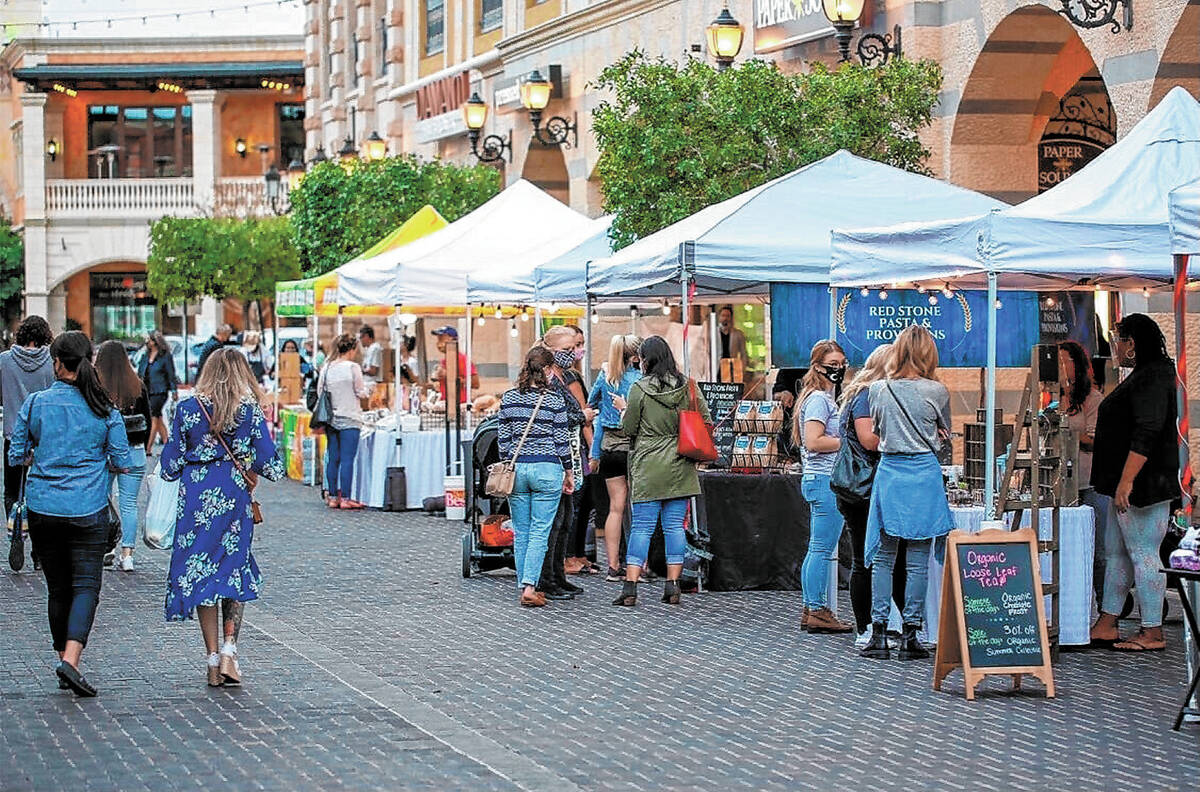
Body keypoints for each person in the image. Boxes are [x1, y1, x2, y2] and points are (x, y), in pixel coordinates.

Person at [8, 331, 131, 697]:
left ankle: (65, 657)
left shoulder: (35, 403)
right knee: (86, 586)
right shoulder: (103, 408)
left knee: (58, 587)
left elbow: (16, 454)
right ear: (89, 362)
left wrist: (39, 457)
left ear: (56, 363)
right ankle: (71, 660)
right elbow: (123, 461)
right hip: (87, 508)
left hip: (43, 507)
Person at [160, 348, 283, 686]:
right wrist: (246, 463)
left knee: (201, 571)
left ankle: (213, 659)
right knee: (233, 568)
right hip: (233, 499)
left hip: (197, 501)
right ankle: (230, 650)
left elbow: (170, 465)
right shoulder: (248, 412)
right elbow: (271, 464)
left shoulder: (187, 409)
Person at [1089, 314, 1179, 653]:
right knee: (1117, 554)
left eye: (1119, 339)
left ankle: (1152, 630)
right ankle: (1108, 621)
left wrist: (1127, 480)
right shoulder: (1144, 374)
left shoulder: (1153, 376)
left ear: (1132, 343)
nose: (1115, 346)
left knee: (1143, 554)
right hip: (1123, 484)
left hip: (1142, 485)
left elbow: (1147, 431)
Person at [861, 326, 953, 660]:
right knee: (917, 560)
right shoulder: (938, 391)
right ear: (929, 354)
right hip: (924, 474)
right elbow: (944, 435)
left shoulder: (878, 390)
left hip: (891, 474)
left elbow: (878, 431)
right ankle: (912, 634)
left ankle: (879, 631)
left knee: (884, 557)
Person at [612, 336, 709, 607]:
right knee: (674, 527)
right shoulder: (689, 387)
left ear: (645, 360)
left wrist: (623, 412)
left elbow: (629, 429)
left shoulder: (639, 389)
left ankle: (630, 587)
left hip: (648, 463)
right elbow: (707, 420)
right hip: (681, 463)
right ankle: (673, 585)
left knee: (642, 527)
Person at [833, 344, 908, 648]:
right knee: (868, 559)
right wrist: (904, 438)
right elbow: (868, 439)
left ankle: (896, 624)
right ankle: (866, 627)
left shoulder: (859, 392)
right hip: (862, 489)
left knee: (887, 557)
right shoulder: (866, 394)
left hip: (862, 489)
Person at [497, 346, 575, 608]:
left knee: (522, 532)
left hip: (518, 470)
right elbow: (562, 442)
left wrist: (511, 462)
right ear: (548, 370)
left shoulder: (508, 399)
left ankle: (525, 584)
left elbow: (503, 442)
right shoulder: (554, 401)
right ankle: (530, 586)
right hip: (547, 469)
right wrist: (569, 472)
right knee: (541, 531)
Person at [793, 340, 852, 634]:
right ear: (817, 367)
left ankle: (811, 606)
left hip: (819, 479)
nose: (839, 369)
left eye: (842, 363)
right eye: (833, 365)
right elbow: (814, 440)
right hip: (825, 479)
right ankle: (817, 608)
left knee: (817, 548)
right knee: (821, 548)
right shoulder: (819, 399)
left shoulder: (820, 398)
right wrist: (848, 442)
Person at [539, 325, 593, 599]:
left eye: (574, 348)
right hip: (555, 459)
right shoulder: (547, 382)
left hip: (568, 456)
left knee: (566, 519)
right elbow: (553, 420)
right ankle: (546, 578)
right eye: (567, 349)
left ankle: (557, 575)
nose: (573, 354)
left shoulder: (562, 378)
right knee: (555, 520)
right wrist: (583, 417)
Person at [587, 334, 642, 580]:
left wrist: (594, 452)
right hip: (634, 448)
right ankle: (639, 566)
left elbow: (592, 407)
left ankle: (612, 566)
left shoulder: (606, 377)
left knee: (615, 509)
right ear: (635, 357)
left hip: (609, 448)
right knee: (639, 509)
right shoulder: (641, 380)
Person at [1058, 340, 1108, 606]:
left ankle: (1105, 605)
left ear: (1076, 364)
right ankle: (1073, 604)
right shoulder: (1055, 398)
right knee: (1067, 547)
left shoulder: (1094, 399)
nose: (1059, 366)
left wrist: (1066, 433)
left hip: (1089, 481)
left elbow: (1095, 437)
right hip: (1062, 483)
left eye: (1064, 360)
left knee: (1098, 548)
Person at [96, 340, 151, 572]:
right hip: (135, 451)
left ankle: (105, 547)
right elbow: (147, 422)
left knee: (101, 501)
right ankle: (127, 554)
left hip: (105, 453)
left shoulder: (97, 388)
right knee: (129, 504)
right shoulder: (137, 385)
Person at [0, 315, 55, 548]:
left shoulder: (4, 361)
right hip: (45, 435)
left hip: (14, 434)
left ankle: (16, 533)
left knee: (12, 490)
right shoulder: (53, 360)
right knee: (42, 489)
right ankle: (40, 550)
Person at [317, 334, 370, 509]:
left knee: (333, 458)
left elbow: (319, 393)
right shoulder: (352, 368)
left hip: (331, 418)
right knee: (347, 459)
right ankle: (346, 498)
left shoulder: (326, 367)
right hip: (350, 417)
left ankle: (332, 496)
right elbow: (361, 392)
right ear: (353, 349)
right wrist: (368, 391)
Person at [137, 331, 179, 453]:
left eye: (149, 340)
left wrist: (174, 390)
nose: (147, 342)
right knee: (158, 417)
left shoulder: (165, 356)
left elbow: (171, 374)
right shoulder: (146, 355)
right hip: (148, 390)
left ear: (155, 342)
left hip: (160, 390)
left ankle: (148, 448)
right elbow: (141, 372)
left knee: (153, 417)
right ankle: (168, 443)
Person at [431, 326, 479, 403]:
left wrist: (450, 376)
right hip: (446, 403)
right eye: (438, 339)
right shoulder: (443, 361)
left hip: (460, 403)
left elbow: (475, 384)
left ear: (452, 339)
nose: (439, 343)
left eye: (441, 338)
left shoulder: (462, 359)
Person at [717, 305, 748, 381]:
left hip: (732, 368)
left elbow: (743, 353)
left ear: (731, 317)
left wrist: (742, 369)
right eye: (723, 315)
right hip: (717, 368)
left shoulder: (738, 334)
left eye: (728, 316)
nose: (725, 318)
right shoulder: (713, 333)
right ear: (719, 317)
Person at [358, 325, 382, 390]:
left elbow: (373, 371)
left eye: (361, 337)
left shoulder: (375, 348)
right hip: (366, 384)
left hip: (372, 385)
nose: (360, 340)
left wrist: (360, 371)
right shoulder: (369, 349)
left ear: (367, 336)